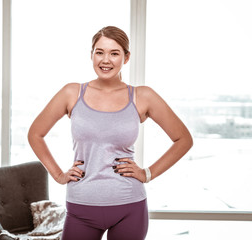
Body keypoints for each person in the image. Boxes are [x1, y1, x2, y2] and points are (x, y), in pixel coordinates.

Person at [28, 26, 193, 240]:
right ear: (91, 55)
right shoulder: (72, 93)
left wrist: (147, 173)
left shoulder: (143, 96)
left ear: (126, 57)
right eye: (100, 52)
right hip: (81, 207)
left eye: (114, 53)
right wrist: (58, 175)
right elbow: (35, 134)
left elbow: (183, 139)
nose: (106, 60)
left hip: (129, 207)